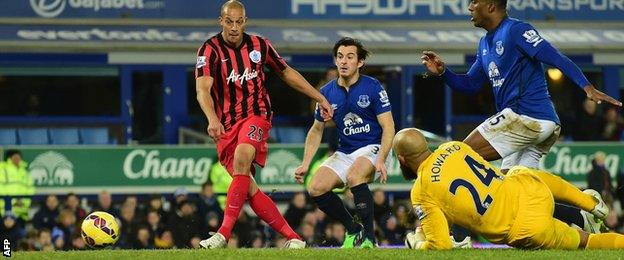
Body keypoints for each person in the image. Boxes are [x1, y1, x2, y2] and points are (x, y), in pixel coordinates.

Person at [420, 0, 621, 232]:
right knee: (513, 194)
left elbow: (554, 56)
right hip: (536, 124)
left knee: (458, 157)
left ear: (491, 6)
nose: (469, 7)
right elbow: (470, 84)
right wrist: (444, 73)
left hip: (526, 116)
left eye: (474, 2)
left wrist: (587, 87)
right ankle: (582, 217)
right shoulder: (485, 43)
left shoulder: (516, 30)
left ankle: (452, 234)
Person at [195, 0, 333, 249]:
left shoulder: (260, 45)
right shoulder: (209, 50)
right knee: (248, 187)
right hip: (226, 125)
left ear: (245, 21)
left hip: (257, 116)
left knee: (242, 155)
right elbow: (202, 89)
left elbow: (287, 72)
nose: (234, 27)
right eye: (229, 21)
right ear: (221, 21)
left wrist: (319, 96)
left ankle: (223, 234)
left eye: (239, 21)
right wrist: (212, 118)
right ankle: (294, 238)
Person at [392, 128, 623, 250]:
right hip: (528, 192)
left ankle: (590, 222)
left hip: (524, 228)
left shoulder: (421, 191)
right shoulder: (453, 147)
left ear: (402, 159)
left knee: (587, 242)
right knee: (518, 173)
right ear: (424, 143)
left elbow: (439, 245)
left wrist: (419, 243)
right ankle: (589, 203)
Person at [294, 37, 395, 248]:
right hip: (345, 151)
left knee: (355, 175)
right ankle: (353, 229)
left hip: (373, 147)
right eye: (340, 57)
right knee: (315, 188)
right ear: (335, 60)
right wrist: (305, 163)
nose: (344, 61)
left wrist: (381, 159)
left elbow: (388, 127)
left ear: (359, 62)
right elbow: (316, 129)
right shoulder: (326, 93)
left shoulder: (373, 87)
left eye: (350, 57)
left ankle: (370, 239)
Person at [0, 149, 35, 223]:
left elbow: (30, 190)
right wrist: (14, 201)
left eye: (19, 158)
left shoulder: (25, 173)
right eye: (15, 157)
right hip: (4, 211)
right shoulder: (2, 170)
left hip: (22, 212)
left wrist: (24, 202)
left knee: (20, 234)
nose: (17, 159)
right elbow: (1, 188)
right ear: (9, 158)